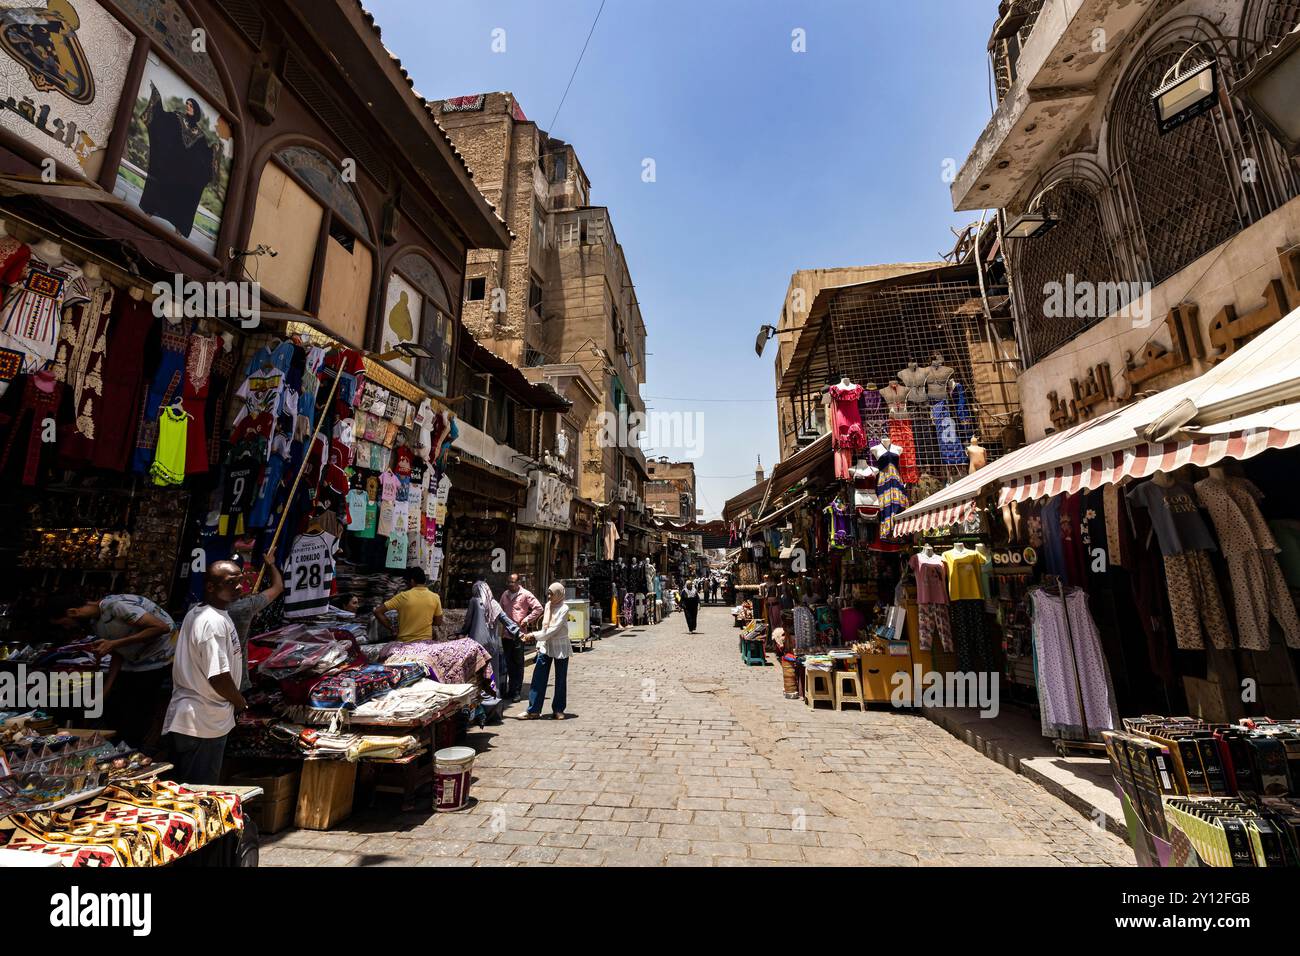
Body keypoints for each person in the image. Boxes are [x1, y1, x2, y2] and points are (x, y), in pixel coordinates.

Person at [51, 591, 176, 751]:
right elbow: (118, 652)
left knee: (137, 717)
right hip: (133, 663)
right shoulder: (96, 621)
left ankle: (137, 754)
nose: (67, 627)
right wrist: (106, 689)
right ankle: (119, 752)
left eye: (64, 623)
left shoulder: (116, 606)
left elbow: (160, 627)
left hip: (158, 661)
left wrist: (116, 643)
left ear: (73, 612)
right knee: (116, 712)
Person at [162, 560, 246, 785]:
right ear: (210, 587)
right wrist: (239, 702)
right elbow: (218, 676)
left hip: (200, 718)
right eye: (231, 583)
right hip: (203, 722)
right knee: (199, 793)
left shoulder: (204, 613)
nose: (239, 587)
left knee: (191, 790)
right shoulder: (212, 622)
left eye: (240, 582)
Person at [226, 554, 284, 693]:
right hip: (235, 681)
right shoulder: (244, 607)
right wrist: (271, 564)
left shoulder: (197, 609)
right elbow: (278, 587)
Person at [524, 582, 571, 720]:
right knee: (539, 676)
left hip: (560, 645)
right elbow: (546, 629)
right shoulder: (548, 605)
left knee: (560, 679)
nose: (549, 596)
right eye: (548, 593)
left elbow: (554, 629)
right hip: (546, 644)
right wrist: (539, 640)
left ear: (558, 594)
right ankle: (533, 709)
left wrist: (533, 635)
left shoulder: (564, 608)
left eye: (552, 593)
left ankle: (558, 709)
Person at [499, 573, 543, 703]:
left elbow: (538, 608)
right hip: (506, 634)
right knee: (508, 663)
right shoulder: (505, 595)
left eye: (512, 582)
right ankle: (510, 689)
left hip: (519, 634)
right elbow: (499, 610)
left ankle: (517, 691)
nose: (510, 584)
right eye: (508, 582)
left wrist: (526, 620)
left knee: (518, 663)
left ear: (518, 583)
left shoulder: (525, 594)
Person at [374, 567, 443, 642]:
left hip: (404, 643)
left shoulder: (403, 596)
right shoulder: (435, 597)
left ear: (412, 581)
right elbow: (438, 622)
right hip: (425, 644)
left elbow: (378, 611)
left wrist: (392, 628)